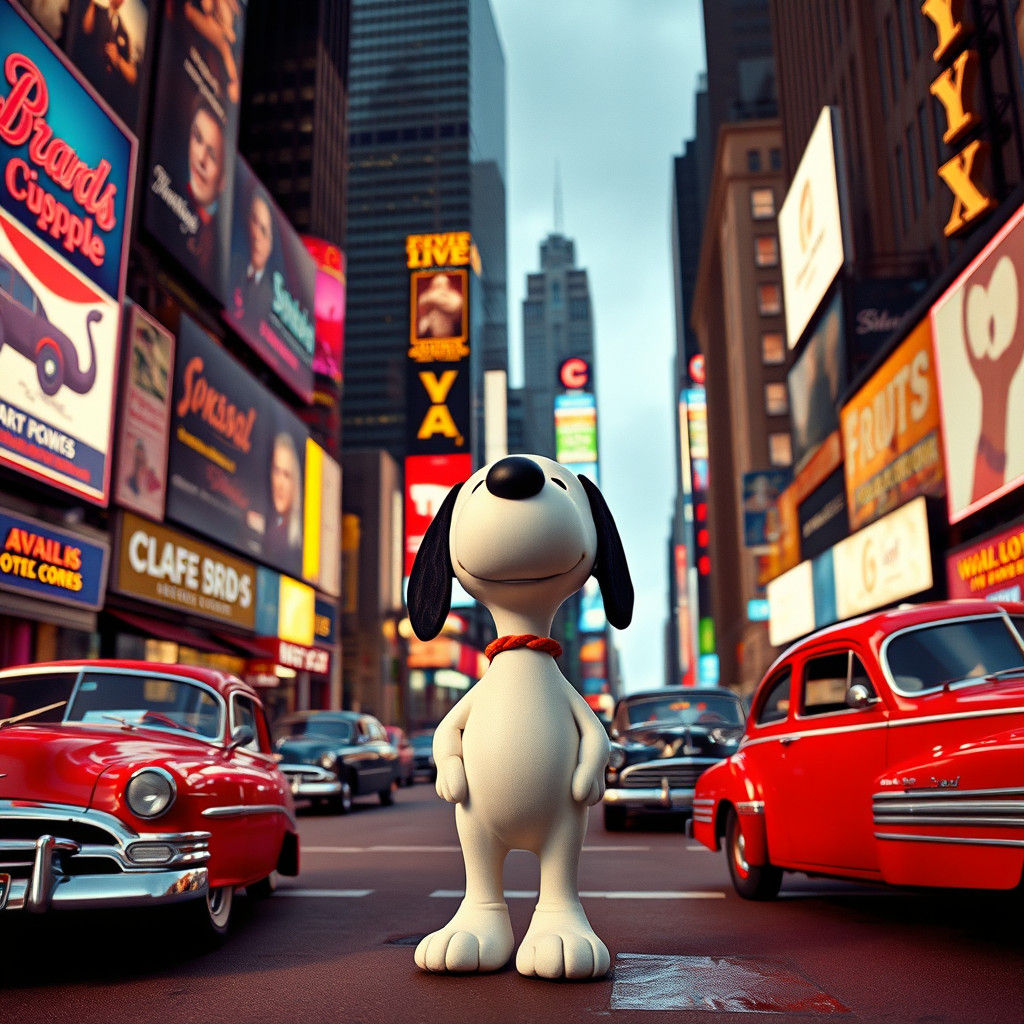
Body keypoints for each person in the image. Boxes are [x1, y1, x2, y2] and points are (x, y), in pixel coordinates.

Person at [184, 98, 226, 281]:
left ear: (223, 179)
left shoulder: (221, 247)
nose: (201, 159)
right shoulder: (165, 197)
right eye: (197, 138)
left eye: (213, 155)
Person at [230, 188, 274, 336]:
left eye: (264, 230)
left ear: (271, 243)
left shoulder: (272, 298)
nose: (256, 235)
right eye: (254, 221)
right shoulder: (231, 265)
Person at [75, 0, 137, 91]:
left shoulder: (124, 33)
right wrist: (92, 4)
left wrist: (117, 58)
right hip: (86, 74)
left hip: (106, 87)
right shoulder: (97, 10)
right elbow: (86, 29)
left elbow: (132, 76)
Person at [264, 431, 302, 569]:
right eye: (276, 471)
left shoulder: (300, 545)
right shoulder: (268, 531)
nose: (279, 483)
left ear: (295, 483)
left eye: (286, 475)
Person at [416, 273, 465, 338]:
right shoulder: (427, 296)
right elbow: (422, 302)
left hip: (449, 334)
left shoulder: (454, 297)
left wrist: (435, 301)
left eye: (443, 284)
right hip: (430, 334)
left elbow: (454, 307)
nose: (441, 287)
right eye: (438, 285)